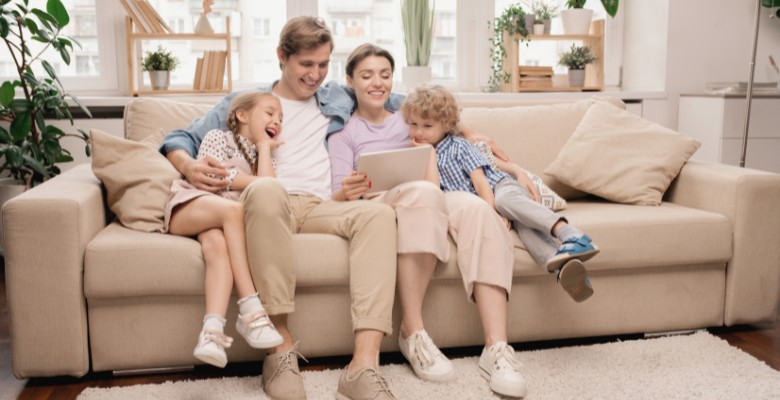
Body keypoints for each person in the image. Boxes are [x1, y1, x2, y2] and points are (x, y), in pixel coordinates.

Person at [161, 17, 399, 400]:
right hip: (269, 202)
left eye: (323, 64)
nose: (316, 74)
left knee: (380, 214)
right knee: (268, 189)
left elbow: (400, 101)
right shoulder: (250, 101)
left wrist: (465, 130)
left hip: (321, 205)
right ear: (281, 57)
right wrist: (188, 165)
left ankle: (363, 366)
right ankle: (280, 351)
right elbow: (180, 138)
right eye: (307, 64)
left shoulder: (338, 96)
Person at [327, 43, 527, 398]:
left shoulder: (408, 118)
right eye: (367, 75)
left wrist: (479, 139)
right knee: (422, 193)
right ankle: (413, 331)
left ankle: (496, 348)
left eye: (385, 75)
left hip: (435, 193)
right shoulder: (345, 132)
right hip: (382, 200)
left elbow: (442, 115)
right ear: (350, 81)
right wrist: (350, 188)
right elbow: (337, 193)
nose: (378, 82)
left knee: (480, 211)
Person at [402, 84, 600, 305]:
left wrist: (492, 211)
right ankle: (564, 268)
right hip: (487, 204)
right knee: (525, 229)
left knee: (505, 202)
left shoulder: (458, 145)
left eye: (427, 125)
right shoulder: (420, 154)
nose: (418, 132)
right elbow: (433, 191)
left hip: (501, 188)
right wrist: (427, 154)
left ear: (446, 125)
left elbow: (480, 181)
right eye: (413, 124)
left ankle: (570, 233)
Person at [164, 90, 285, 368]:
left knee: (217, 247)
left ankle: (211, 333)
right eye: (269, 113)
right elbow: (217, 178)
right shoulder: (218, 137)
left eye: (281, 118)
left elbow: (269, 188)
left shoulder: (263, 154)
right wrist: (255, 180)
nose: (277, 121)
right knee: (234, 210)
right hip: (193, 205)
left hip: (220, 222)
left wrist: (265, 148)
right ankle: (251, 310)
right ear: (241, 115)